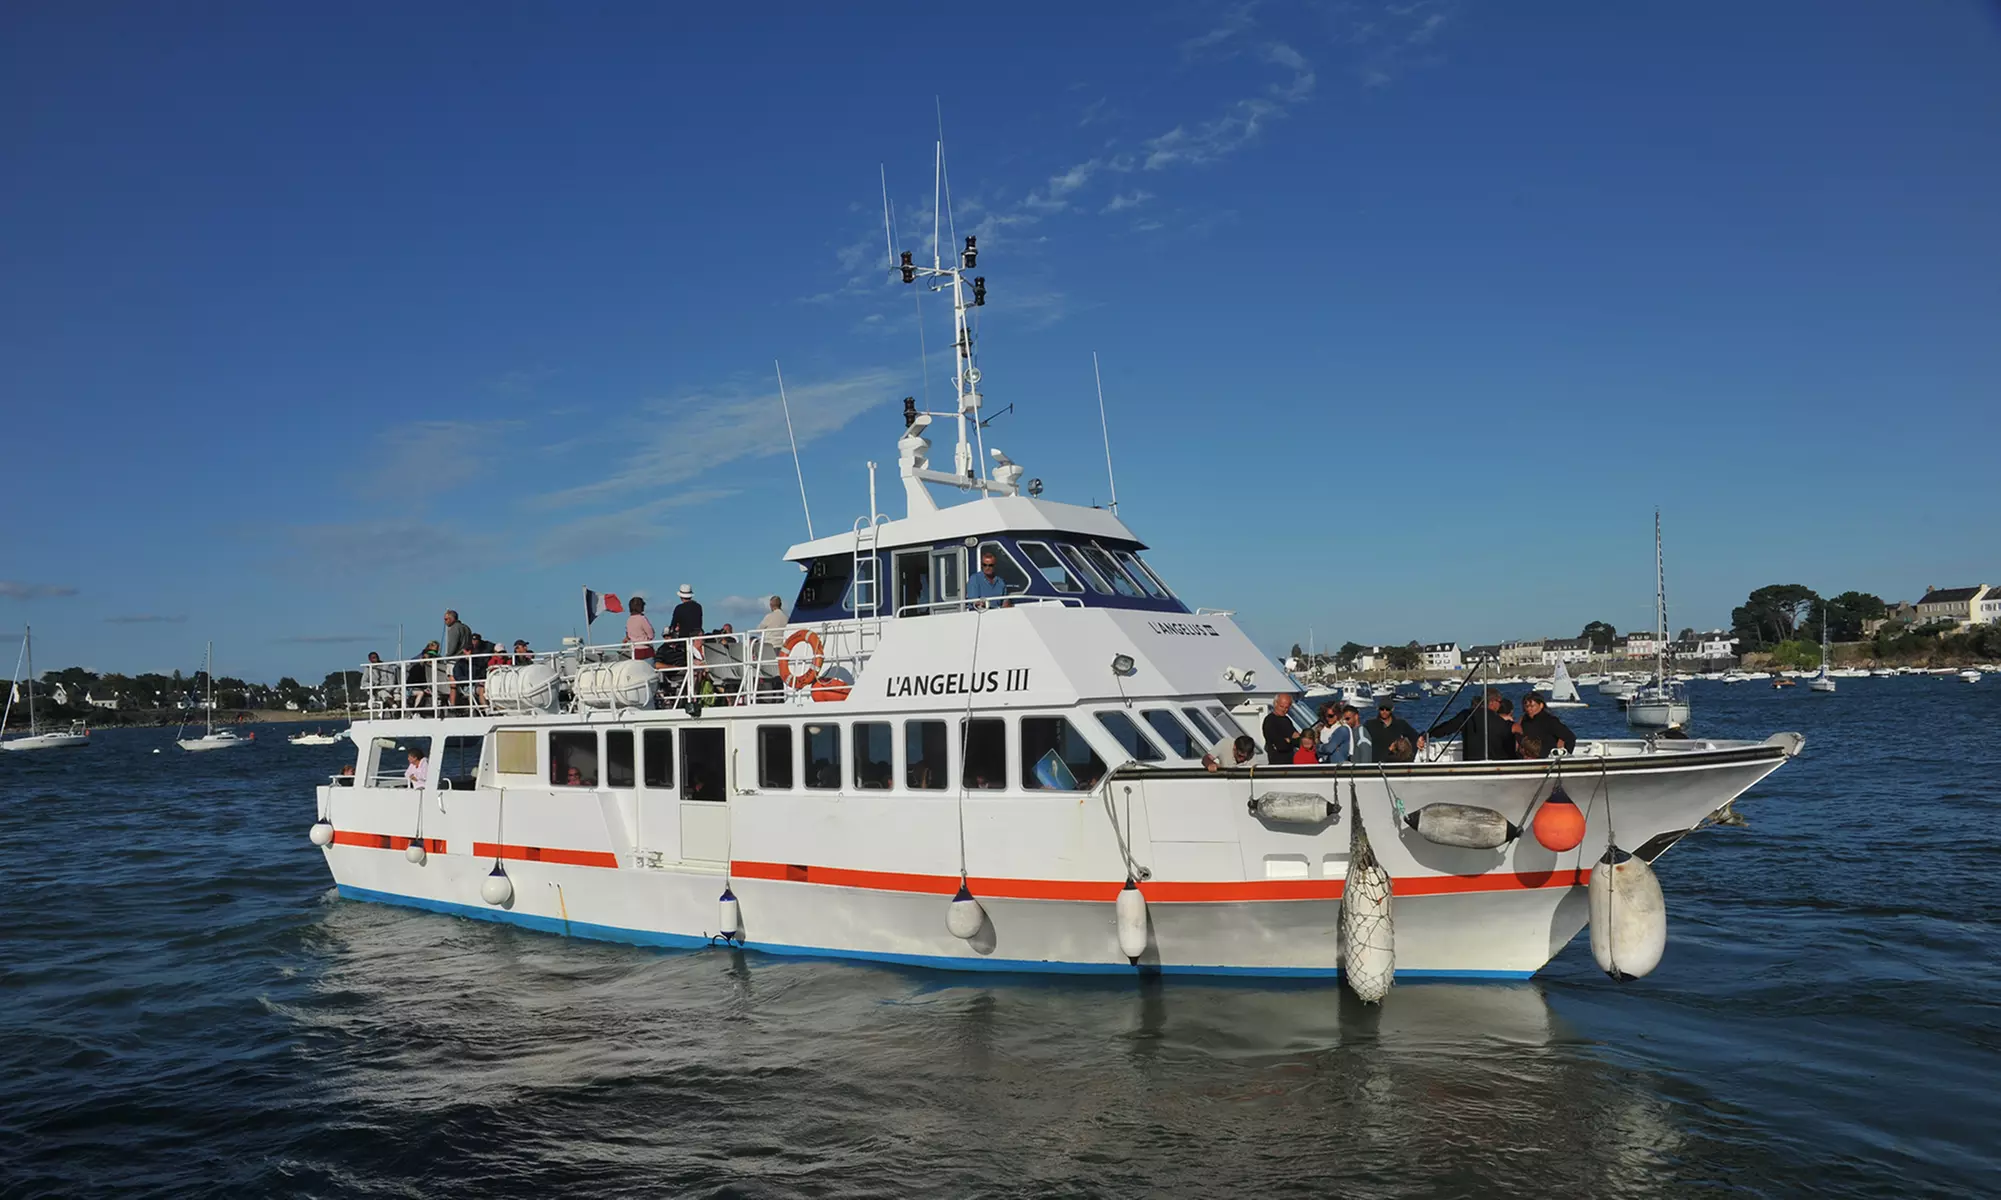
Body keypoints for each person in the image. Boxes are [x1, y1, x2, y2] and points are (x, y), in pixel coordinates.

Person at [1427, 689, 1507, 761]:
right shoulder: (1498, 720)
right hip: (1494, 763)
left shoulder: (1467, 715)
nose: (1500, 705)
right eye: (1499, 702)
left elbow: (1446, 728)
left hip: (1470, 764)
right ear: (1492, 702)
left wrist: (1428, 734)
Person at [1515, 692, 1576, 757]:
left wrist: (1565, 756)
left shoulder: (1550, 721)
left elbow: (1570, 737)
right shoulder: (1524, 720)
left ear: (1541, 705)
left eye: (1532, 706)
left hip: (1546, 758)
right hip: (1526, 757)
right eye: (1526, 706)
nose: (1529, 709)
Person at [442, 609, 471, 711]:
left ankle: (452, 706)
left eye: (446, 619)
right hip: (465, 660)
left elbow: (452, 646)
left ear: (451, 618)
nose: (445, 622)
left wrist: (447, 656)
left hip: (454, 660)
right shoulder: (466, 628)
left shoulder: (454, 628)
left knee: (453, 684)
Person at [1262, 694, 1298, 765]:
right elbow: (1281, 745)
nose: (1284, 710)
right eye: (1281, 706)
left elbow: (1298, 740)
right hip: (1277, 763)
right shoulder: (1270, 721)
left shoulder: (1286, 720)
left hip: (1290, 762)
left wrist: (1289, 740)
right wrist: (1291, 739)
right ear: (1275, 704)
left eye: (1287, 707)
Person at [625, 595, 656, 660]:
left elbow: (628, 635)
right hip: (645, 650)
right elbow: (651, 635)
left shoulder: (628, 620)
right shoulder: (642, 619)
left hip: (634, 651)